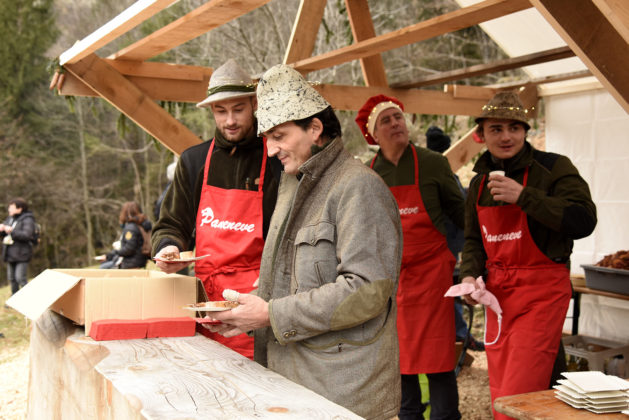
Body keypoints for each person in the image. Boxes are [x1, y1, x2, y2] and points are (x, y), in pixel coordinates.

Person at [208, 64, 403, 420]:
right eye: (267, 138)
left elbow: (366, 291)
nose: (270, 150)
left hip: (343, 394)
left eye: (279, 136)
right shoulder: (293, 182)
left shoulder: (358, 187)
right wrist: (246, 314)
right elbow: (293, 280)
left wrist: (271, 314)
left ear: (314, 128)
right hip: (295, 384)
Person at [459, 91, 597, 419]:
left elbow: (583, 220)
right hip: (500, 297)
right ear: (481, 134)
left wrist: (525, 197)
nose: (506, 136)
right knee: (510, 383)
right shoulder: (478, 185)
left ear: (525, 130)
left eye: (514, 127)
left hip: (541, 294)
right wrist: (469, 276)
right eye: (496, 129)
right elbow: (474, 240)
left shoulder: (554, 168)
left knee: (517, 391)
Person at [151, 59, 280, 359]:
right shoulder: (193, 161)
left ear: (254, 104)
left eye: (238, 109)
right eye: (221, 111)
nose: (230, 120)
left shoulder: (276, 158)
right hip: (203, 302)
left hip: (257, 300)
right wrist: (168, 247)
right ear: (211, 111)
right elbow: (171, 224)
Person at [355, 96, 464, 420]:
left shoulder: (433, 163)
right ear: (373, 134)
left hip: (433, 280)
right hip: (392, 284)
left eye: (398, 117)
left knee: (439, 361)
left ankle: (446, 416)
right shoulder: (367, 173)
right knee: (399, 363)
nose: (395, 123)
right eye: (386, 120)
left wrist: (472, 258)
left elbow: (461, 214)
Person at [425, 126, 484, 352]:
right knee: (449, 293)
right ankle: (459, 336)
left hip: (454, 246)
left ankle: (460, 335)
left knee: (452, 293)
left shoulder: (446, 175)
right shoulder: (439, 174)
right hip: (445, 246)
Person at [100, 201, 152, 269]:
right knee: (106, 264)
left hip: (131, 262)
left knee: (103, 267)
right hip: (139, 260)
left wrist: (114, 253)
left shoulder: (131, 228)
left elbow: (129, 249)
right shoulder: (140, 225)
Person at [1, 198, 36, 295]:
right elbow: (5, 234)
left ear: (19, 208)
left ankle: (29, 298)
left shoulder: (28, 219)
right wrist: (2, 230)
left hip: (22, 254)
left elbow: (27, 235)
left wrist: (12, 231)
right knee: (12, 279)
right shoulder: (10, 218)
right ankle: (14, 299)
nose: (9, 209)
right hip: (10, 254)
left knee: (20, 278)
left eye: (11, 207)